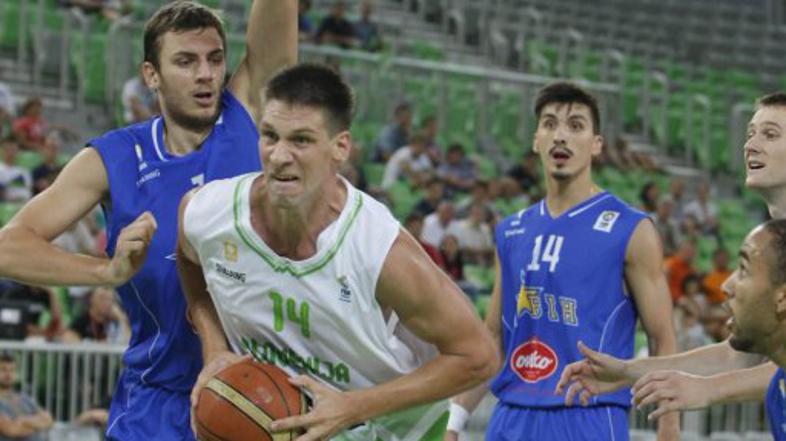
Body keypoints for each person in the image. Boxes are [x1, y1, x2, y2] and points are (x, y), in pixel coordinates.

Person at [0, 1, 298, 440]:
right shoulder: (115, 157)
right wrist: (106, 272)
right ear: (151, 75)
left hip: (261, 396)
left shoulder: (248, 115)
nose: (205, 74)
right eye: (186, 61)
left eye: (215, 59)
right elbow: (8, 247)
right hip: (158, 407)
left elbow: (276, 21)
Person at [177, 63, 498, 440]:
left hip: (394, 431)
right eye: (270, 136)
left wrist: (352, 406)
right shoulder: (207, 213)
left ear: (340, 147)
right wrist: (215, 348)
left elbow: (478, 356)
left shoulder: (379, 249)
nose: (279, 156)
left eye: (300, 140)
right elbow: (188, 259)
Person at [445, 82, 678, 441]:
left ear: (596, 144)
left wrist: (669, 427)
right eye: (550, 124)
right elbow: (493, 337)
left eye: (576, 125)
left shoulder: (630, 229)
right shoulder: (511, 231)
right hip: (511, 419)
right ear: (536, 140)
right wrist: (454, 422)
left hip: (588, 415)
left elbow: (662, 337)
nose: (561, 136)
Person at [554, 91, 786, 436]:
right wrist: (626, 371)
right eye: (750, 133)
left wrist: (708, 389)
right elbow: (738, 354)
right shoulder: (771, 237)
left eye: (770, 134)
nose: (751, 145)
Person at [557, 220, 786, 439]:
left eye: (744, 270)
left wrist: (708, 388)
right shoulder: (777, 391)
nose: (726, 285)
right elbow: (733, 358)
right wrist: (626, 371)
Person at [0, 352, 53, 441]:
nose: (8, 374)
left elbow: (48, 420)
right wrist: (38, 425)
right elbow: (12, 430)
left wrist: (23, 421)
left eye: (12, 370)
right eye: (3, 370)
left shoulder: (24, 397)